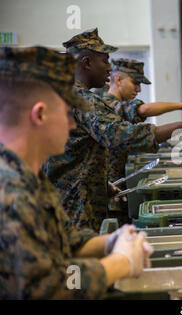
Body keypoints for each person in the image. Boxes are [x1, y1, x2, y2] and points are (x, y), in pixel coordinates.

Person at [0, 46, 152, 299]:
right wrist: (120, 263)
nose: (73, 124)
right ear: (40, 115)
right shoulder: (9, 193)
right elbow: (49, 289)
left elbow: (65, 242)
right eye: (69, 113)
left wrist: (112, 241)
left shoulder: (28, 177)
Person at [43, 28, 182, 231]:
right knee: (78, 257)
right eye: (104, 61)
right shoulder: (81, 100)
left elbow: (73, 153)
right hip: (75, 204)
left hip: (67, 197)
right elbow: (121, 136)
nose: (108, 70)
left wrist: (102, 186)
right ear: (86, 63)